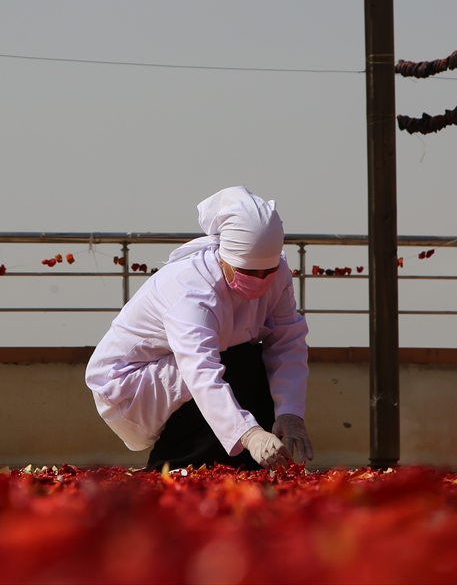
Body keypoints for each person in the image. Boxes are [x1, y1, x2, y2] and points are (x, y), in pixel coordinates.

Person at [85, 186, 313, 470]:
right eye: (248, 272)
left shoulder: (279, 275)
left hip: (203, 365)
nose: (261, 280)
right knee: (235, 359)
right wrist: (250, 434)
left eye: (267, 272)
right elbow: (200, 369)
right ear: (224, 258)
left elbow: (287, 340)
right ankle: (181, 460)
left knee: (249, 358)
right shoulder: (190, 287)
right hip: (128, 383)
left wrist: (291, 411)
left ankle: (244, 464)